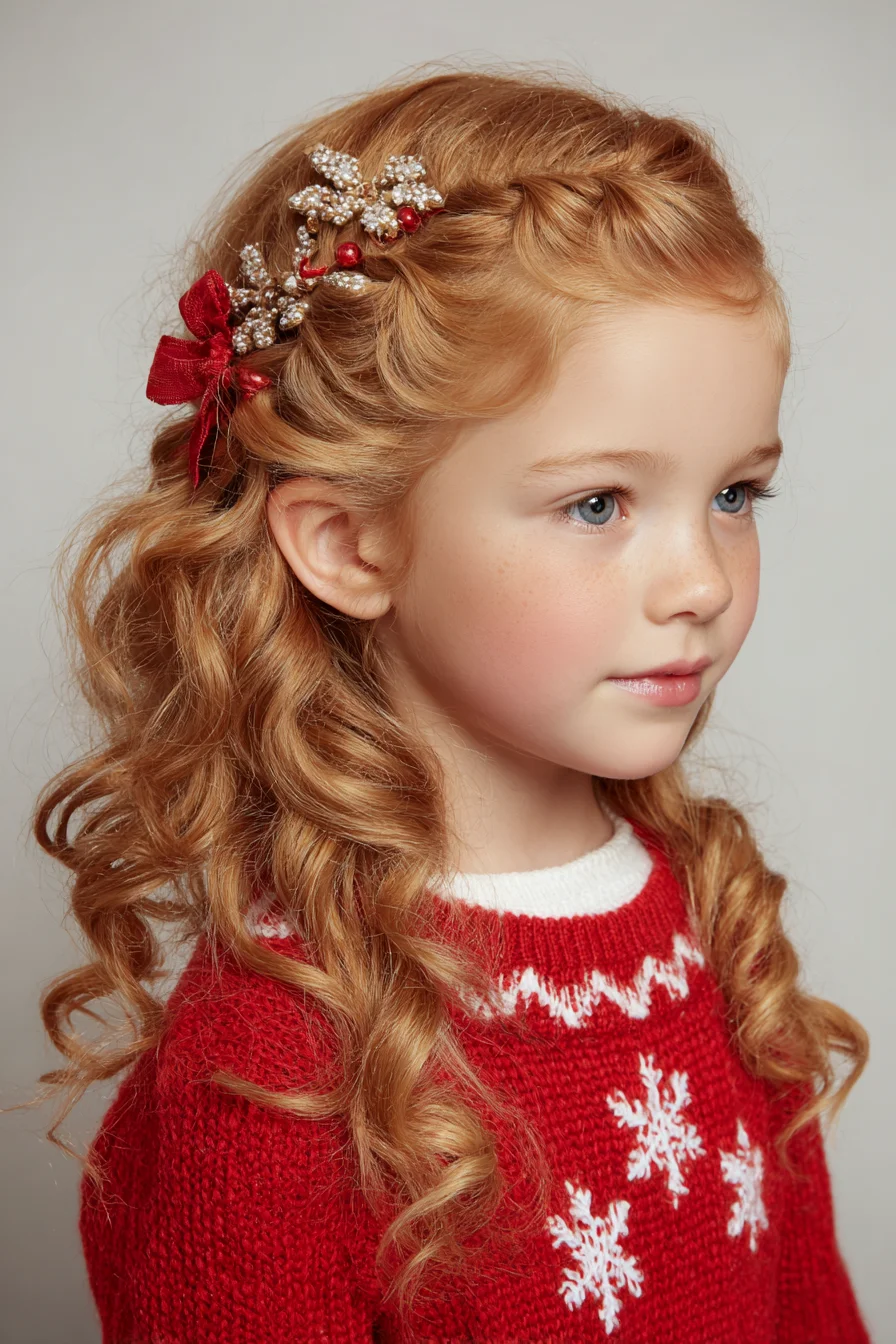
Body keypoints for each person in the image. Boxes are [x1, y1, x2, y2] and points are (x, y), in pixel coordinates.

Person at [30, 64, 871, 1342]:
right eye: (596, 504)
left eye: (734, 495)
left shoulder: (709, 916)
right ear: (353, 544)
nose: (700, 580)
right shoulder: (276, 1064)